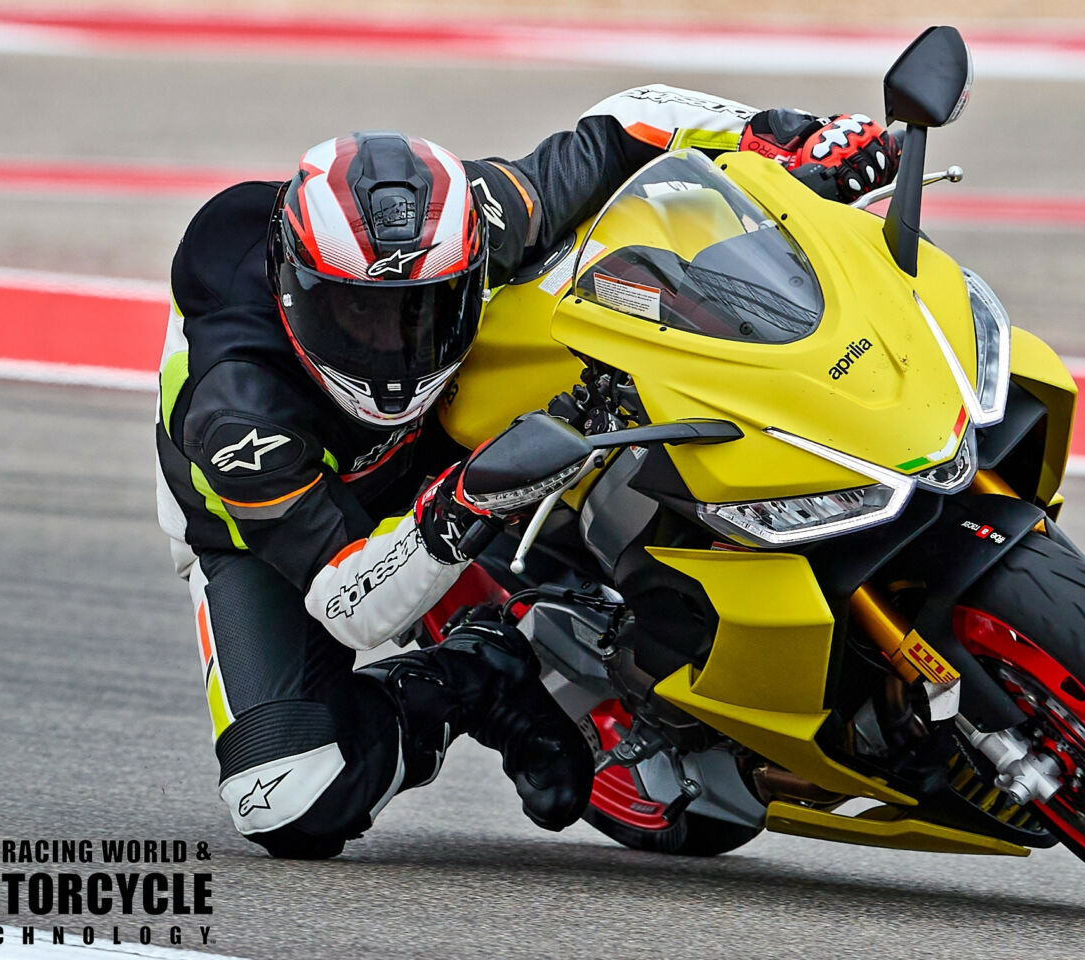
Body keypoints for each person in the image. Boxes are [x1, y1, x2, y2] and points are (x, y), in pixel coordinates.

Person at [153, 84, 899, 859]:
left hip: (445, 430)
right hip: (290, 526)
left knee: (634, 299)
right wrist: (465, 503)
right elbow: (348, 604)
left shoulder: (474, 219)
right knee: (285, 795)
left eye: (426, 310)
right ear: (296, 293)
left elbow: (629, 122)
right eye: (360, 316)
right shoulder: (238, 415)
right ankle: (480, 669)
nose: (395, 346)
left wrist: (791, 134)